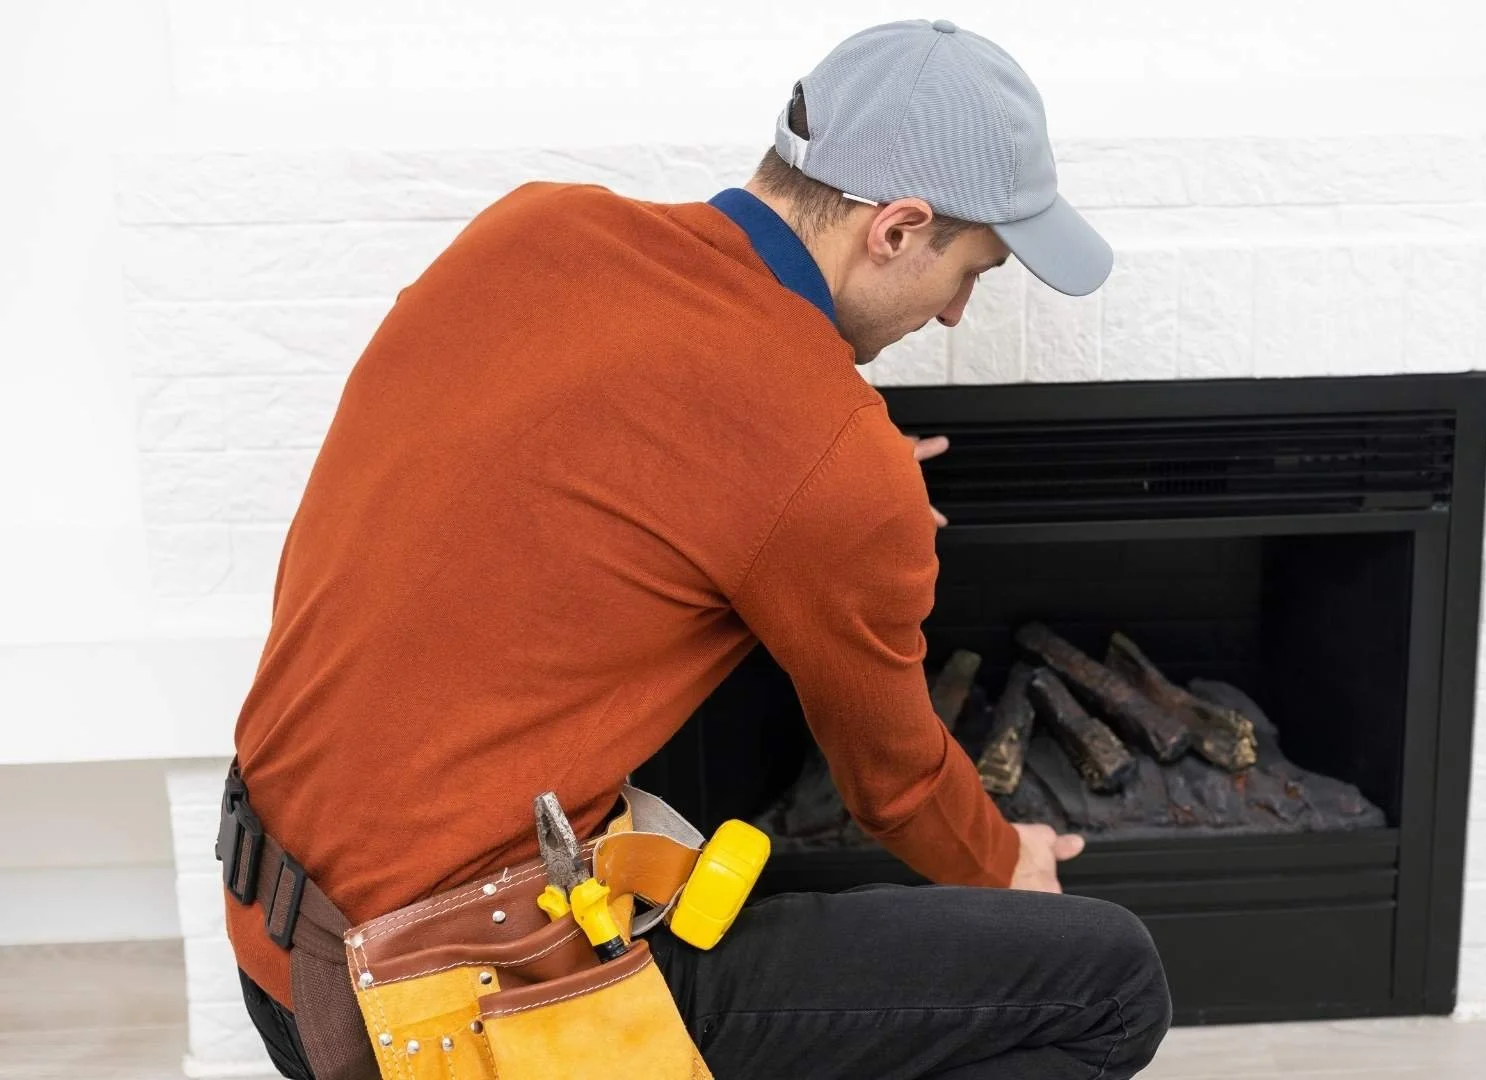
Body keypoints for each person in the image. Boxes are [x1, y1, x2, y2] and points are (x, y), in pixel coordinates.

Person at [227, 17, 1171, 1080]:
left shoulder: (533, 228)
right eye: (975, 271)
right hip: (437, 1010)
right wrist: (1012, 863)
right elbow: (893, 785)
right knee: (1110, 982)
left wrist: (827, 470)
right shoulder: (821, 454)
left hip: (281, 936)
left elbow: (562, 461)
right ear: (897, 229)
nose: (956, 313)